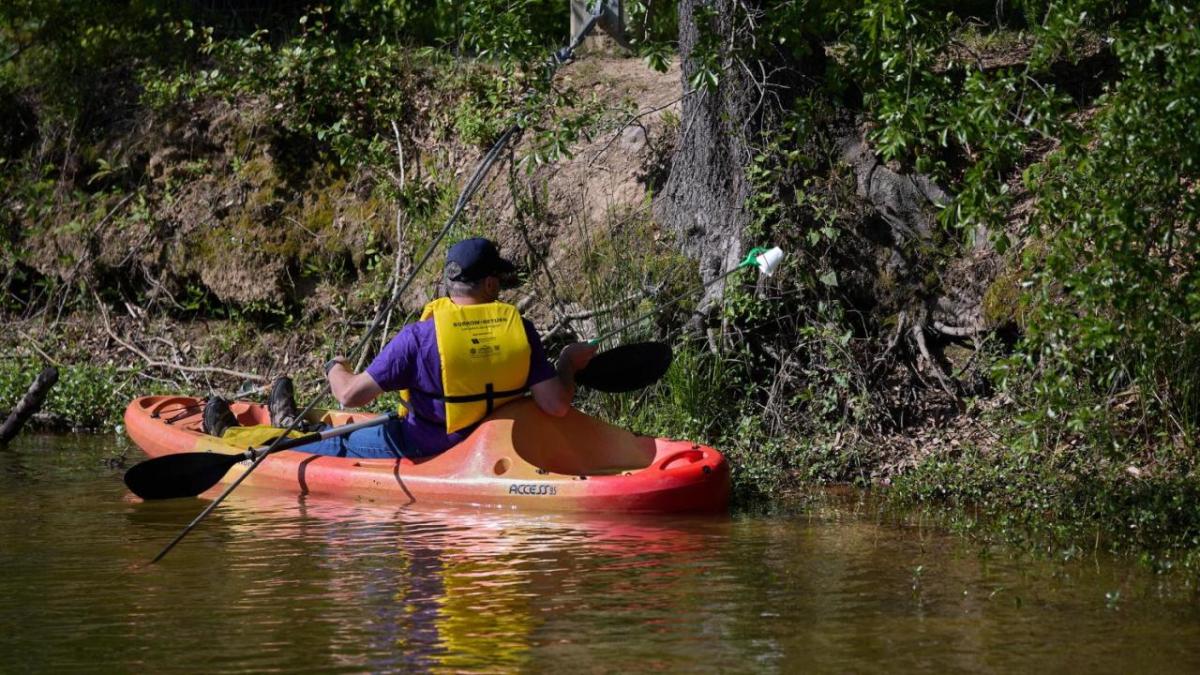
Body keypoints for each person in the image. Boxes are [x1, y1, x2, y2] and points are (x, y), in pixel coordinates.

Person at [202, 237, 596, 459]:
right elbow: (556, 405)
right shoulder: (520, 331)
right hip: (491, 453)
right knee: (357, 425)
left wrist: (332, 365)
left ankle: (250, 436)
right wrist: (566, 363)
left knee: (330, 440)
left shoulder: (418, 338)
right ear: (491, 286)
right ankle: (291, 422)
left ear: (448, 285)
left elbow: (349, 395)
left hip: (423, 448)